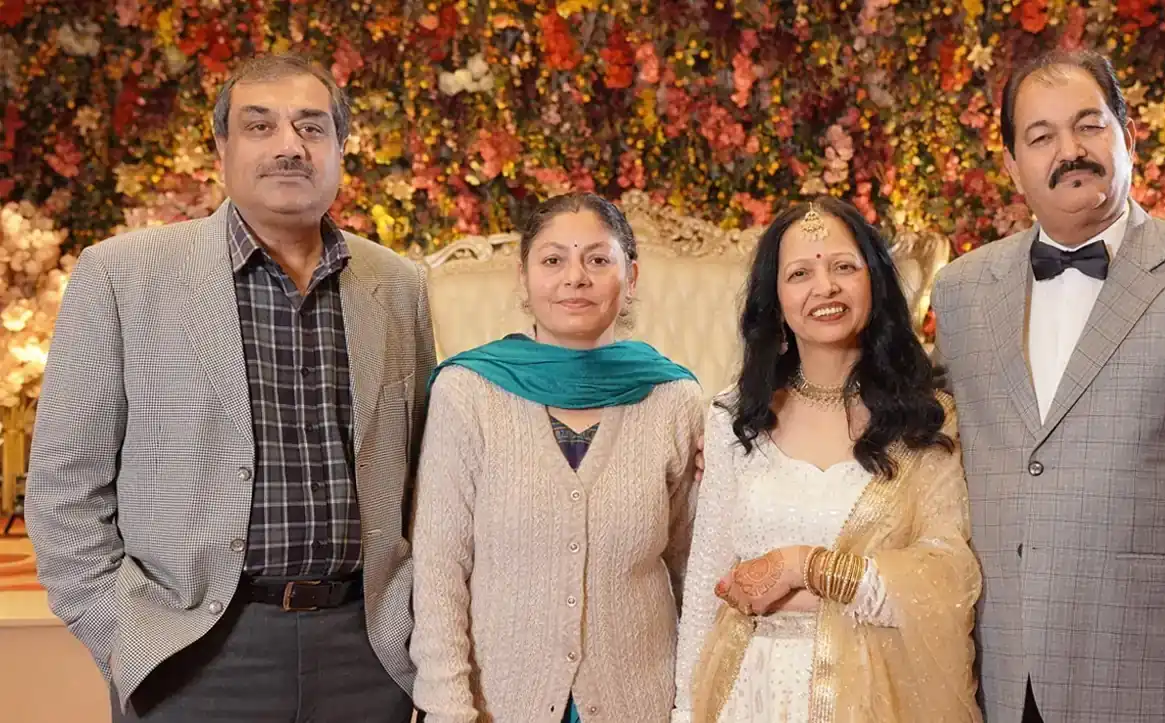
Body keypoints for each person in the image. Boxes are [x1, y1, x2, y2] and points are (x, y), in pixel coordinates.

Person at [25, 54, 436, 722]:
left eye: (311, 127)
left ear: (338, 148)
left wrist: (413, 619)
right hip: (192, 652)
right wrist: (123, 630)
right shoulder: (123, 276)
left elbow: (423, 476)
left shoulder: (397, 285)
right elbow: (64, 485)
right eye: (259, 126)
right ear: (220, 146)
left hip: (366, 652)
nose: (288, 146)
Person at [930, 49, 1165, 723]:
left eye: (1088, 125)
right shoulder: (960, 292)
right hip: (994, 686)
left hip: (1156, 692)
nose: (1068, 150)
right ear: (1012, 165)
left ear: (1127, 135)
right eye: (1040, 136)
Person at [673, 197, 982, 723]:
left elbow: (947, 578)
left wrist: (803, 567)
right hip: (748, 693)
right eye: (800, 273)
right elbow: (708, 587)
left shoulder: (926, 419)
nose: (825, 288)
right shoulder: (733, 417)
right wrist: (684, 711)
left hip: (876, 698)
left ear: (874, 282)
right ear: (775, 298)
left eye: (843, 267)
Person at [410, 192, 704, 723]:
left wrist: (693, 702)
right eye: (553, 260)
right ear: (523, 279)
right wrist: (447, 705)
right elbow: (439, 565)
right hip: (498, 704)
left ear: (630, 276)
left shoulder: (674, 400)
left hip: (644, 703)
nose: (576, 277)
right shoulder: (468, 393)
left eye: (597, 259)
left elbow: (695, 568)